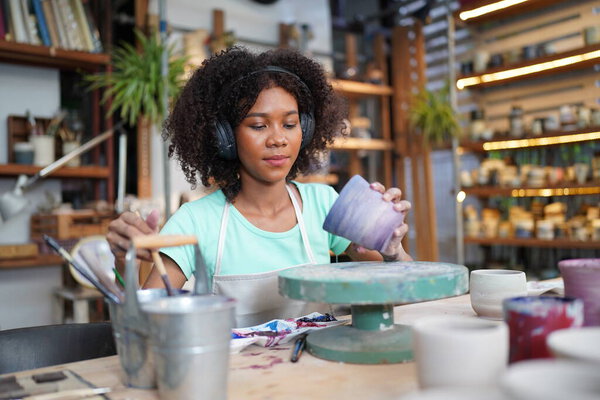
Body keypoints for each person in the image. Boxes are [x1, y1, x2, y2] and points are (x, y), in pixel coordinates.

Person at [107, 47, 412, 327]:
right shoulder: (195, 222)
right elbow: (145, 324)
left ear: (304, 131)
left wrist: (392, 252)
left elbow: (401, 292)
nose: (278, 139)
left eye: (290, 124)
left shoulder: (323, 204)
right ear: (225, 137)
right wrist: (125, 261)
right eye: (258, 125)